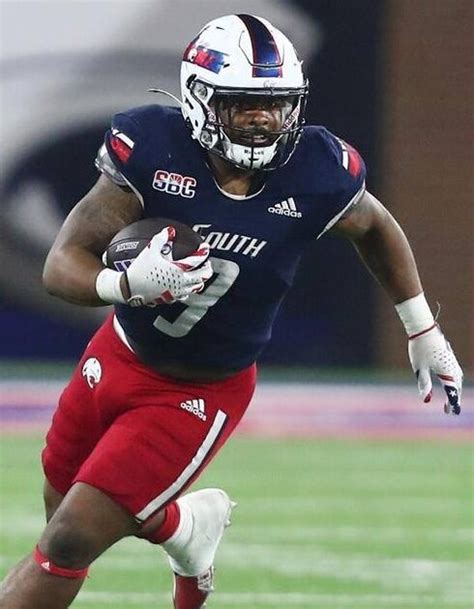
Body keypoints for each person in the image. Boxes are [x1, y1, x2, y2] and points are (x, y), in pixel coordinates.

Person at [0, 13, 463, 609]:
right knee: (61, 513)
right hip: (117, 354)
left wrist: (421, 326)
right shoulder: (153, 150)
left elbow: (374, 226)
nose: (265, 118)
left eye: (276, 103)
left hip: (200, 391)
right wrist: (124, 283)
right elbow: (61, 264)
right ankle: (185, 530)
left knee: (67, 541)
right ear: (199, 99)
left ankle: (180, 529)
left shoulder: (315, 168)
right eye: (245, 103)